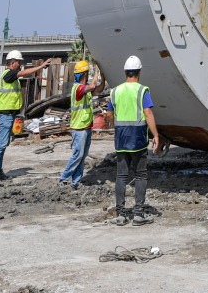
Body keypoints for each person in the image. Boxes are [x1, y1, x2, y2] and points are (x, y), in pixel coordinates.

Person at [0, 50, 57, 186]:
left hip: (9, 114)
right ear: (12, 63)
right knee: (1, 144)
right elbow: (23, 73)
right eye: (19, 62)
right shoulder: (9, 74)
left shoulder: (12, 77)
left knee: (4, 143)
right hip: (4, 114)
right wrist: (41, 67)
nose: (21, 65)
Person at [111, 54, 160, 226]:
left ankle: (120, 215)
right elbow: (148, 113)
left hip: (121, 138)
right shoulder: (142, 90)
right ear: (139, 72)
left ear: (125, 72)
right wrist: (156, 135)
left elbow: (111, 114)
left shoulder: (115, 91)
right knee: (140, 175)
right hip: (138, 138)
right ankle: (138, 214)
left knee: (121, 176)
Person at [59, 59, 104, 187]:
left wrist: (103, 78)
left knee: (82, 156)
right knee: (78, 155)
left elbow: (98, 89)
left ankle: (76, 181)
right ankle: (64, 178)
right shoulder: (78, 89)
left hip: (86, 126)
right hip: (79, 128)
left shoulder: (84, 88)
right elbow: (93, 86)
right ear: (85, 74)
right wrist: (97, 71)